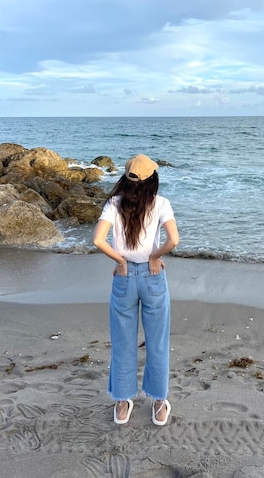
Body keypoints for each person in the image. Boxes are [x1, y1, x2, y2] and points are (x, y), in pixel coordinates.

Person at [93, 154, 179, 426]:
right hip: (152, 276)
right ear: (153, 179)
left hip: (124, 276)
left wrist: (119, 261)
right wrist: (155, 256)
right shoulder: (161, 203)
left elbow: (98, 240)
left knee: (122, 343)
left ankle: (122, 403)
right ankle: (158, 403)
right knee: (157, 342)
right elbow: (173, 240)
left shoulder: (113, 204)